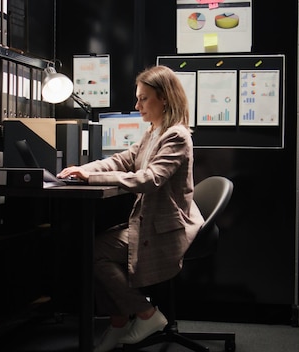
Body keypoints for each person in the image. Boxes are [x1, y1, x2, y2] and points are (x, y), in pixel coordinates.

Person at [56, 65, 204, 352]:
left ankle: (145, 315)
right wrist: (79, 170)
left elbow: (149, 179)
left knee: (95, 252)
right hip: (151, 222)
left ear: (164, 99)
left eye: (143, 99)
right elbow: (122, 160)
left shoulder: (176, 136)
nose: (136, 105)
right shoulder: (154, 132)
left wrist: (92, 178)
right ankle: (120, 321)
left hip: (167, 230)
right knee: (93, 248)